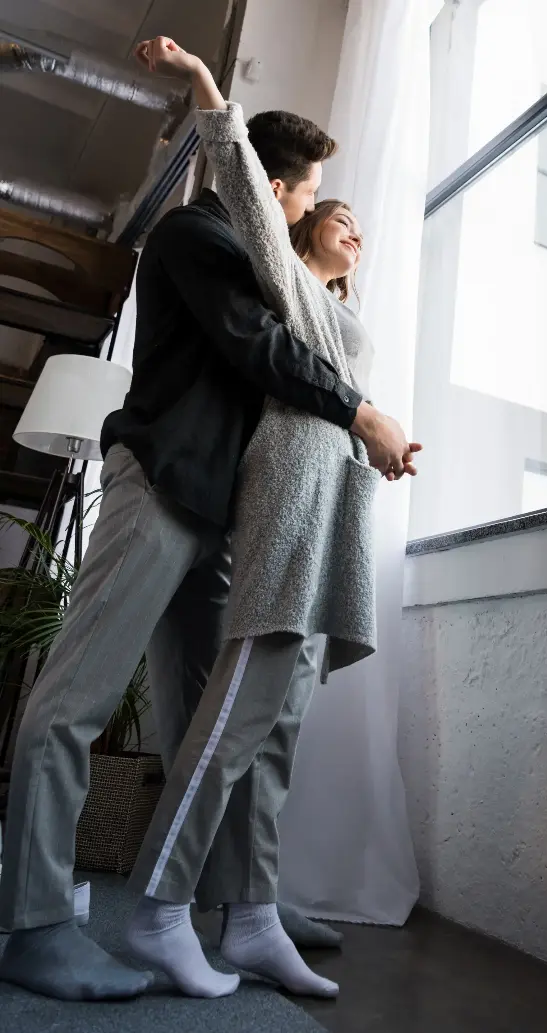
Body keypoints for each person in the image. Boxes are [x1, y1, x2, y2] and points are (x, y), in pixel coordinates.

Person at [0, 53, 419, 1003]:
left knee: (216, 726)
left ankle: (241, 906)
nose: (317, 213)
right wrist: (363, 415)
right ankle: (29, 923)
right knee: (74, 700)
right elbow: (258, 346)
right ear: (275, 191)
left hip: (222, 514)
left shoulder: (279, 269)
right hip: (159, 486)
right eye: (309, 196)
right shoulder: (197, 235)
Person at [122, 36, 419, 1003]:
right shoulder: (283, 279)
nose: (353, 224)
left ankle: (250, 919)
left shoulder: (340, 305)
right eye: (336, 211)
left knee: (279, 718)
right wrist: (213, 91)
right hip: (290, 486)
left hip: (331, 498)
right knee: (241, 703)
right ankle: (162, 906)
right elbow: (250, 185)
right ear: (296, 226)